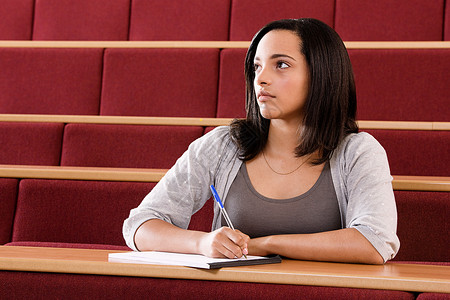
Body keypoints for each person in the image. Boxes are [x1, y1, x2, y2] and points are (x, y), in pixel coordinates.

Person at [123, 18, 399, 264]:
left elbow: (374, 242)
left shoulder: (358, 152)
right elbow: (140, 225)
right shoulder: (223, 145)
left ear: (322, 75)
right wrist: (202, 243)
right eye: (256, 67)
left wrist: (267, 244)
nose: (261, 79)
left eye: (281, 65)